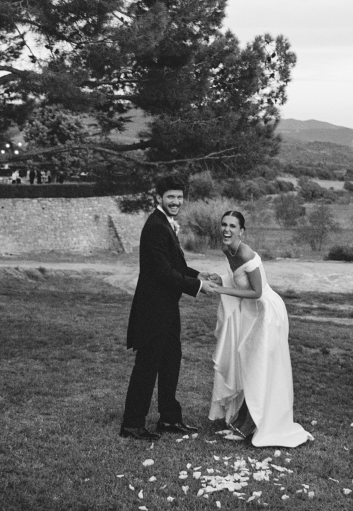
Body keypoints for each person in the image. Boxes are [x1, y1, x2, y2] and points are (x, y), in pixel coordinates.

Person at [121, 176, 221, 442]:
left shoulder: (164, 223)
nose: (176, 201)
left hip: (167, 308)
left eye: (179, 197)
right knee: (147, 366)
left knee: (170, 363)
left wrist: (199, 275)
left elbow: (175, 265)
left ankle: (169, 418)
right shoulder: (155, 226)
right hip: (153, 310)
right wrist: (198, 287)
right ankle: (132, 424)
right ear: (159, 198)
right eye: (170, 197)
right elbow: (163, 272)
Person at [207, 210, 312, 448]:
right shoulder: (227, 250)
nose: (226, 230)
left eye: (233, 226)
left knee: (258, 367)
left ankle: (251, 424)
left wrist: (222, 290)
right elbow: (236, 278)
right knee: (248, 365)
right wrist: (222, 280)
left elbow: (256, 291)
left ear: (241, 231)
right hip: (251, 313)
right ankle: (243, 420)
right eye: (224, 224)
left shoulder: (246, 253)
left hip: (266, 313)